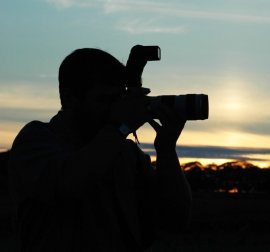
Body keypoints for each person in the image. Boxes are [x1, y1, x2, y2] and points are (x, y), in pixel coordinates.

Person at [8, 48, 192, 251]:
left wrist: (166, 150)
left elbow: (175, 219)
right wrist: (120, 127)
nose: (115, 108)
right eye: (105, 100)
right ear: (69, 99)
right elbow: (70, 183)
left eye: (119, 100)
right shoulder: (36, 140)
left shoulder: (125, 153)